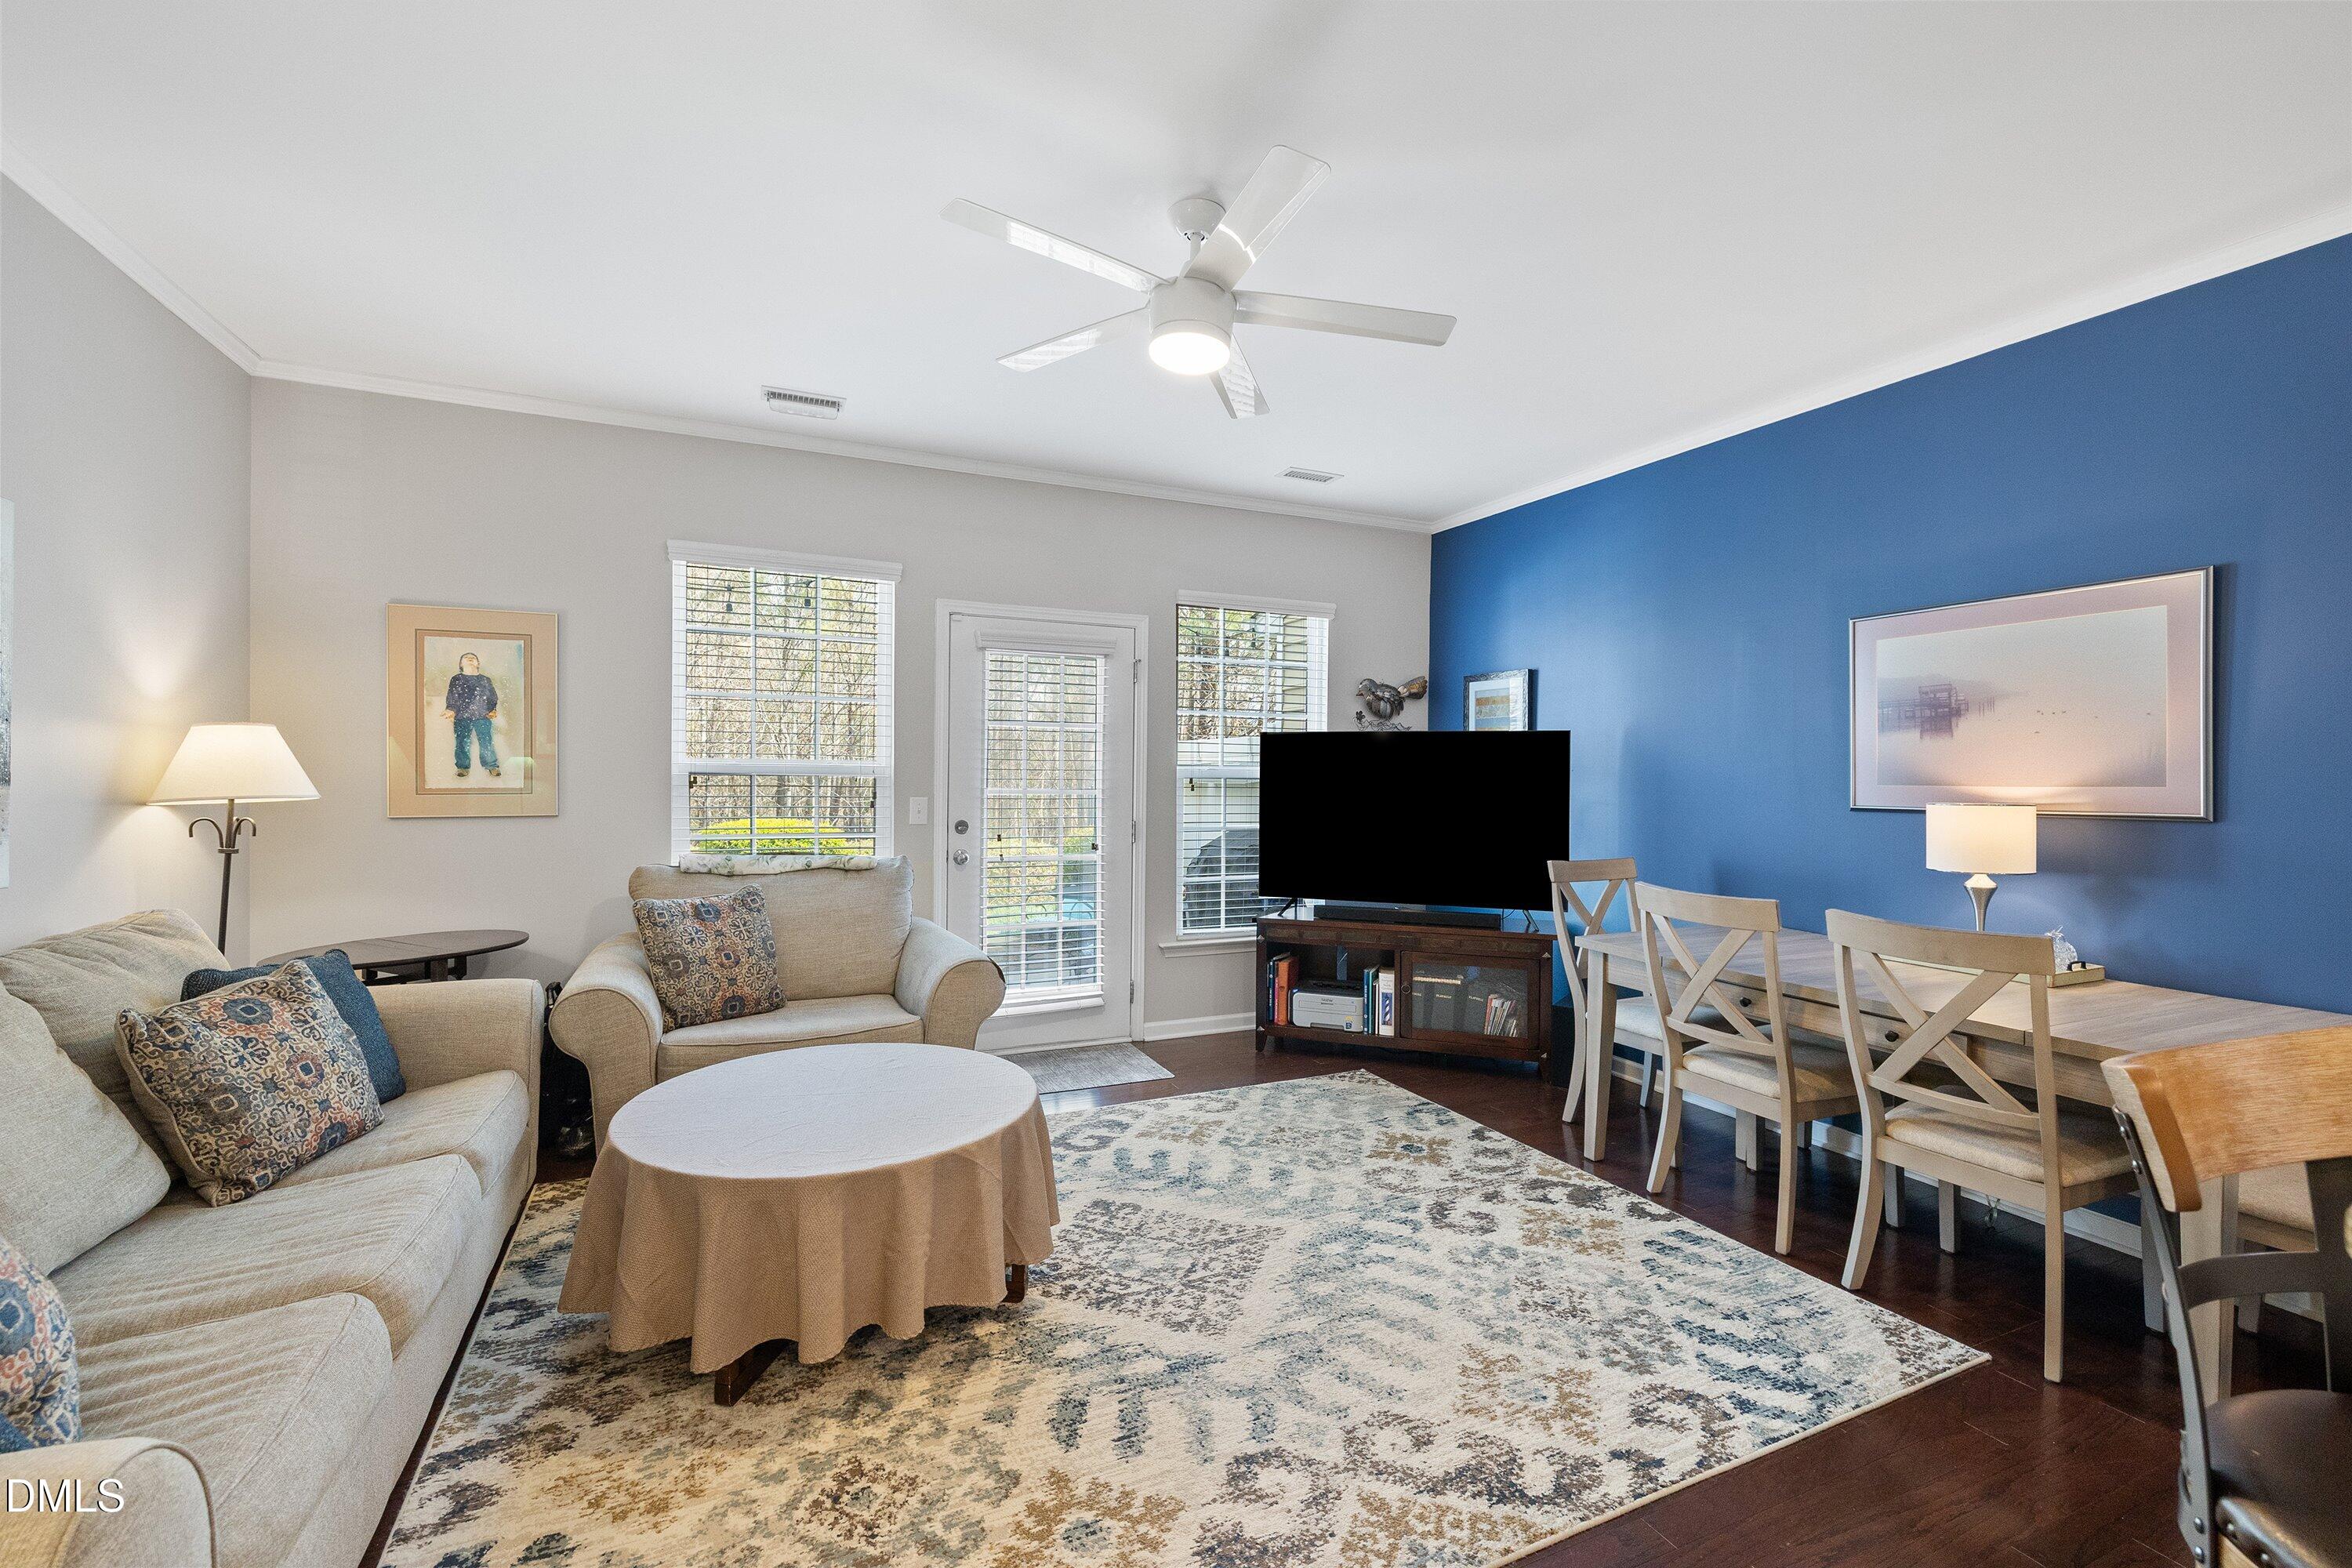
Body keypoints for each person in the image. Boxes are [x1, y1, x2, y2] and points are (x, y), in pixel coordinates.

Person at [443, 652, 501, 778]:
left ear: (478, 663)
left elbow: (492, 697)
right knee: (462, 742)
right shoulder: (456, 679)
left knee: (486, 742)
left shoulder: (486, 680)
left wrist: (493, 709)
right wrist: (451, 709)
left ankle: (492, 765)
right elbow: (452, 697)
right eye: (466, 658)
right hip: (462, 717)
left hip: (483, 716)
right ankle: (462, 767)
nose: (470, 659)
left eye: (473, 658)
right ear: (461, 664)